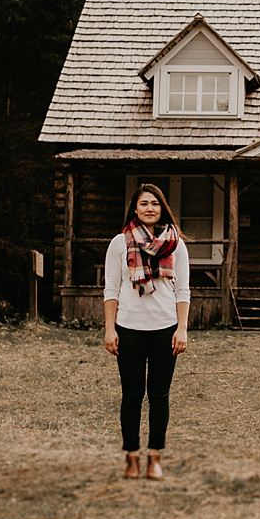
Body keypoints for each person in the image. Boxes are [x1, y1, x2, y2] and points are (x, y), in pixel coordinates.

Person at [103, 183, 190, 480]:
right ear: (135, 209)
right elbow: (111, 289)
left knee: (159, 395)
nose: (149, 208)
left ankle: (155, 456)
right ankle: (131, 457)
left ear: (162, 208)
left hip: (165, 329)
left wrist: (182, 329)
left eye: (154, 203)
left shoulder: (176, 244)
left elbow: (183, 290)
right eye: (143, 204)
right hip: (129, 329)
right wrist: (109, 330)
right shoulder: (119, 243)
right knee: (131, 395)